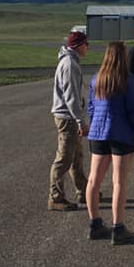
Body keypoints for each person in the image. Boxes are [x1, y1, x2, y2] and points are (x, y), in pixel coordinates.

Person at [85, 41, 134, 245]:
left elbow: (91, 108)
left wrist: (94, 126)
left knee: (94, 180)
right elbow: (133, 111)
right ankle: (118, 227)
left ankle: (94, 223)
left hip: (98, 134)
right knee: (119, 182)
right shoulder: (126, 80)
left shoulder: (97, 79)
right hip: (121, 135)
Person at [48, 30, 90, 211]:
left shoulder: (71, 62)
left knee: (76, 157)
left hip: (69, 116)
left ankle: (84, 190)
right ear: (79, 46)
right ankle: (55, 197)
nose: (88, 48)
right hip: (68, 118)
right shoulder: (70, 64)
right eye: (86, 44)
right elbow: (71, 96)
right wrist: (80, 120)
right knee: (64, 158)